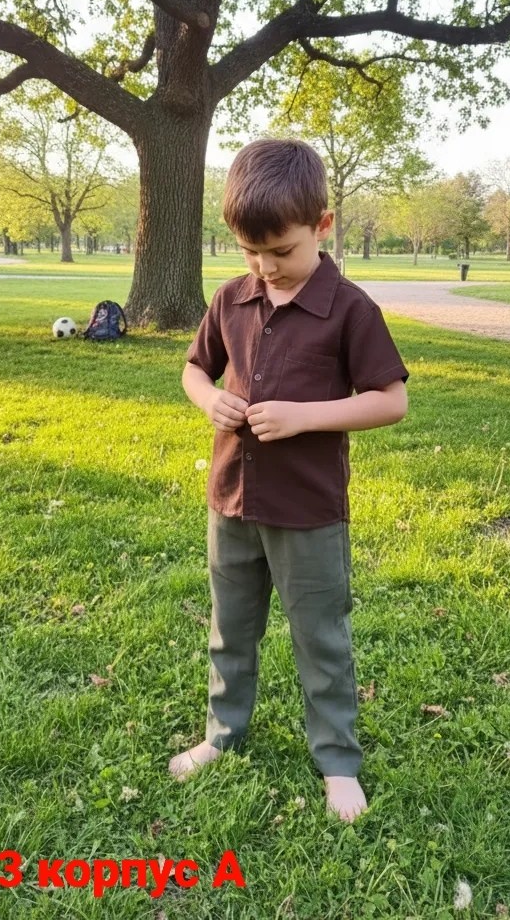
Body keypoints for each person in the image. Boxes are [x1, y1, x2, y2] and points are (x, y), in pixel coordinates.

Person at [170, 138, 409, 822]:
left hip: (308, 510)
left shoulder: (350, 309)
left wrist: (305, 416)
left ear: (323, 226)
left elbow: (390, 400)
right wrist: (206, 398)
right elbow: (194, 369)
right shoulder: (231, 298)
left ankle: (337, 761)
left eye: (282, 251)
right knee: (230, 627)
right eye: (250, 251)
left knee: (320, 637)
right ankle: (223, 735)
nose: (266, 267)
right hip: (232, 499)